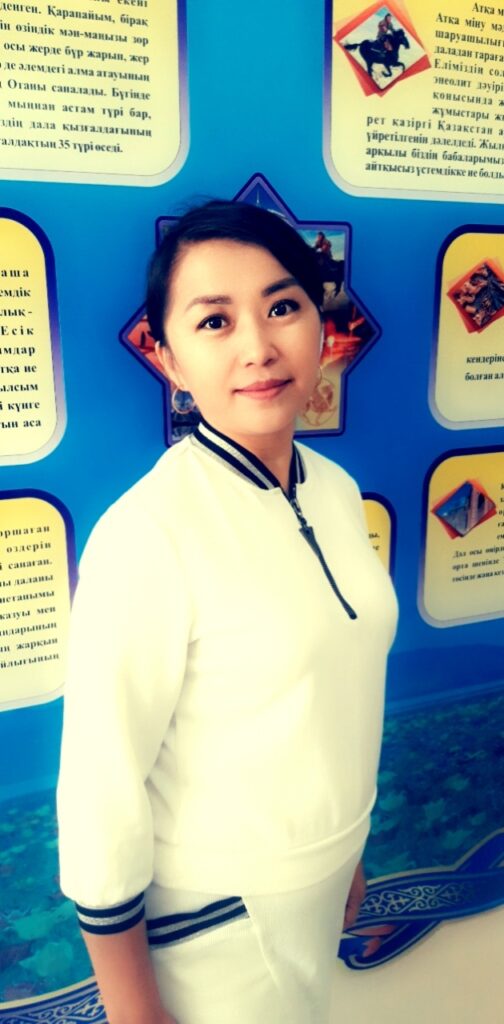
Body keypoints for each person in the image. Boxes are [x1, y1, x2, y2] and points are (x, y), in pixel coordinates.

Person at [57, 200, 398, 1024]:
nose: (258, 347)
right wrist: (132, 1008)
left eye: (283, 306)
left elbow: (325, 699)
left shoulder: (335, 490)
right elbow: (101, 789)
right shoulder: (147, 534)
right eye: (215, 321)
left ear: (322, 325)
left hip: (318, 890)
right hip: (219, 931)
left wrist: (345, 851)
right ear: (168, 358)